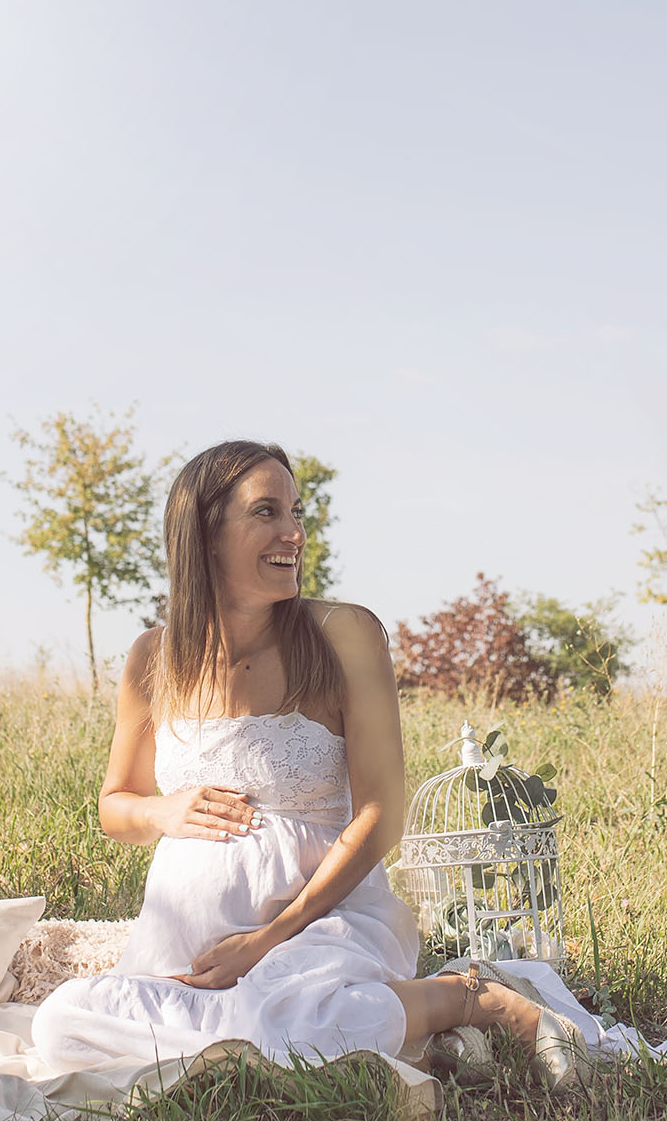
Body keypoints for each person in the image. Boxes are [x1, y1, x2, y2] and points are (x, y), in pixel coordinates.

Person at [31, 440, 584, 1088]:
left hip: (320, 925)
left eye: (297, 511)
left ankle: (466, 997)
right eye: (266, 512)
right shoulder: (152, 657)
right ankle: (345, 1030)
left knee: (286, 1026)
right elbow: (114, 805)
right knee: (59, 1024)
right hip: (184, 948)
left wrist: (269, 938)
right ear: (206, 531)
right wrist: (162, 808)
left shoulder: (345, 636)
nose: (293, 531)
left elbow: (383, 815)